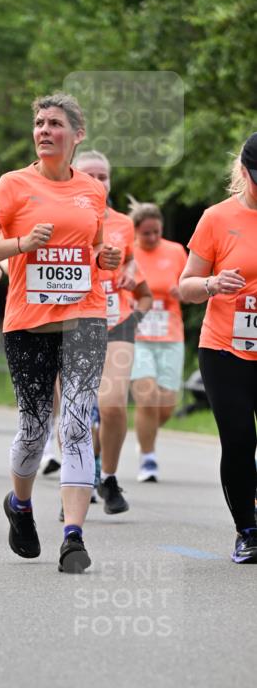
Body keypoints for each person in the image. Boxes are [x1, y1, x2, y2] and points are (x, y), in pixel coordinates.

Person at [0, 92, 122, 573]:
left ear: (77, 134)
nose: (44, 131)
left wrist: (105, 258)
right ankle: (20, 504)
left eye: (55, 123)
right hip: (29, 323)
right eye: (39, 123)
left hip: (84, 319)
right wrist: (19, 244)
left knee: (75, 424)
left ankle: (73, 536)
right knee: (34, 430)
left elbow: (94, 248)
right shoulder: (13, 185)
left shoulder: (91, 190)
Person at [179, 133, 257, 564]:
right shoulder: (216, 218)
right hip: (225, 348)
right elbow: (185, 286)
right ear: (244, 172)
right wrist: (211, 283)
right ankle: (248, 531)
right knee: (240, 437)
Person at [74, 151, 153, 513]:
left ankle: (107, 477)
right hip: (71, 324)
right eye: (89, 176)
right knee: (75, 413)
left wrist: (131, 274)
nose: (97, 182)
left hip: (115, 322)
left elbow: (132, 261)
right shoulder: (63, 217)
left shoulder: (123, 223)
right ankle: (76, 483)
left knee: (113, 406)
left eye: (102, 176)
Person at [129, 200, 187, 482]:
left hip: (170, 335)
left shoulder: (176, 251)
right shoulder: (127, 252)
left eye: (156, 232)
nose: (152, 237)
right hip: (137, 335)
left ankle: (145, 435)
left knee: (166, 405)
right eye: (146, 233)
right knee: (147, 396)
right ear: (135, 232)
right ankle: (148, 459)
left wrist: (183, 292)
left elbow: (191, 285)